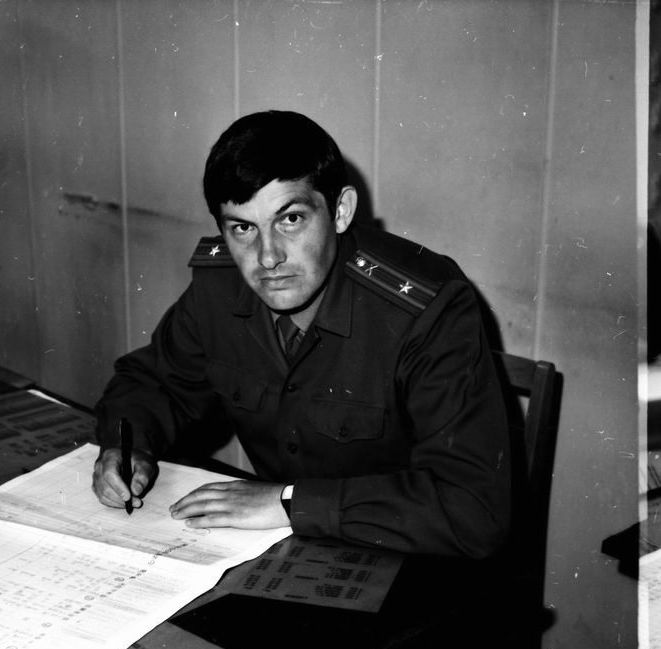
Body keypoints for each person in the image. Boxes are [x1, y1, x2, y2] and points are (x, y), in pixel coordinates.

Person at [92, 110, 510, 558]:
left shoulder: (427, 310)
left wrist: (290, 502)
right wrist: (126, 446)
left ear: (340, 211)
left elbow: (473, 507)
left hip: (416, 562)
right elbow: (155, 383)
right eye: (242, 228)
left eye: (290, 219)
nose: (267, 257)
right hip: (291, 552)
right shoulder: (220, 288)